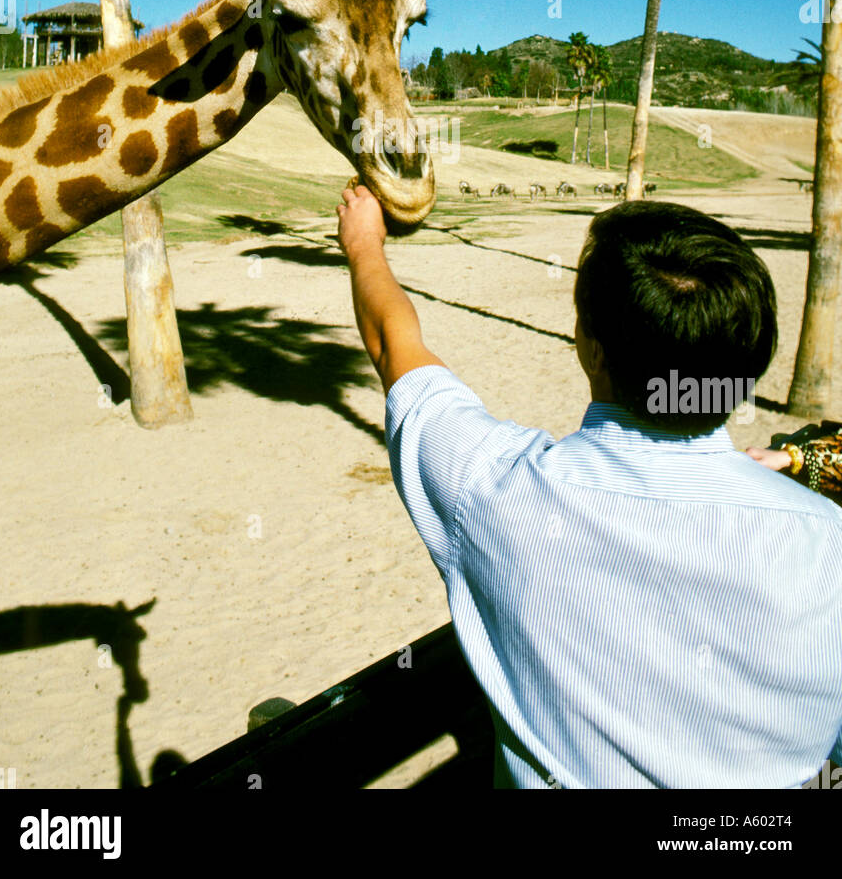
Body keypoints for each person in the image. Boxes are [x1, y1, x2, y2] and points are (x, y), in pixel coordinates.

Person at [337, 185, 842, 789]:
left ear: (591, 349)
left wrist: (364, 244)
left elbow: (394, 345)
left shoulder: (494, 489)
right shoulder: (826, 540)